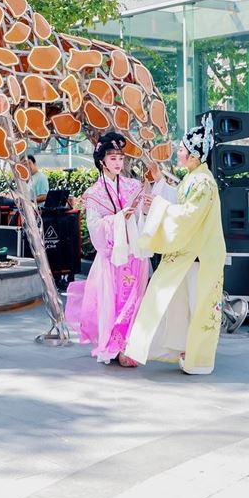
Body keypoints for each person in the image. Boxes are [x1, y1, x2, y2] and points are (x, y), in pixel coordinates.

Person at [123, 118, 227, 375]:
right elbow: (182, 206)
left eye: (181, 149)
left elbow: (188, 216)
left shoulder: (202, 182)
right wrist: (159, 197)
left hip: (199, 256)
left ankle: (199, 359)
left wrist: (157, 208)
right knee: (180, 302)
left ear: (193, 155)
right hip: (192, 254)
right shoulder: (195, 178)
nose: (178, 153)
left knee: (197, 305)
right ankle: (183, 350)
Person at [64, 133, 149, 366]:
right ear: (101, 161)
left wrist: (141, 212)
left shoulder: (133, 186)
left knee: (134, 299)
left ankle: (129, 345)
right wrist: (119, 219)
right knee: (111, 301)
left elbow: (143, 217)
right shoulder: (94, 193)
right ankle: (112, 346)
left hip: (133, 254)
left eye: (120, 158)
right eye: (112, 158)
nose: (118, 163)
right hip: (112, 256)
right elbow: (94, 227)